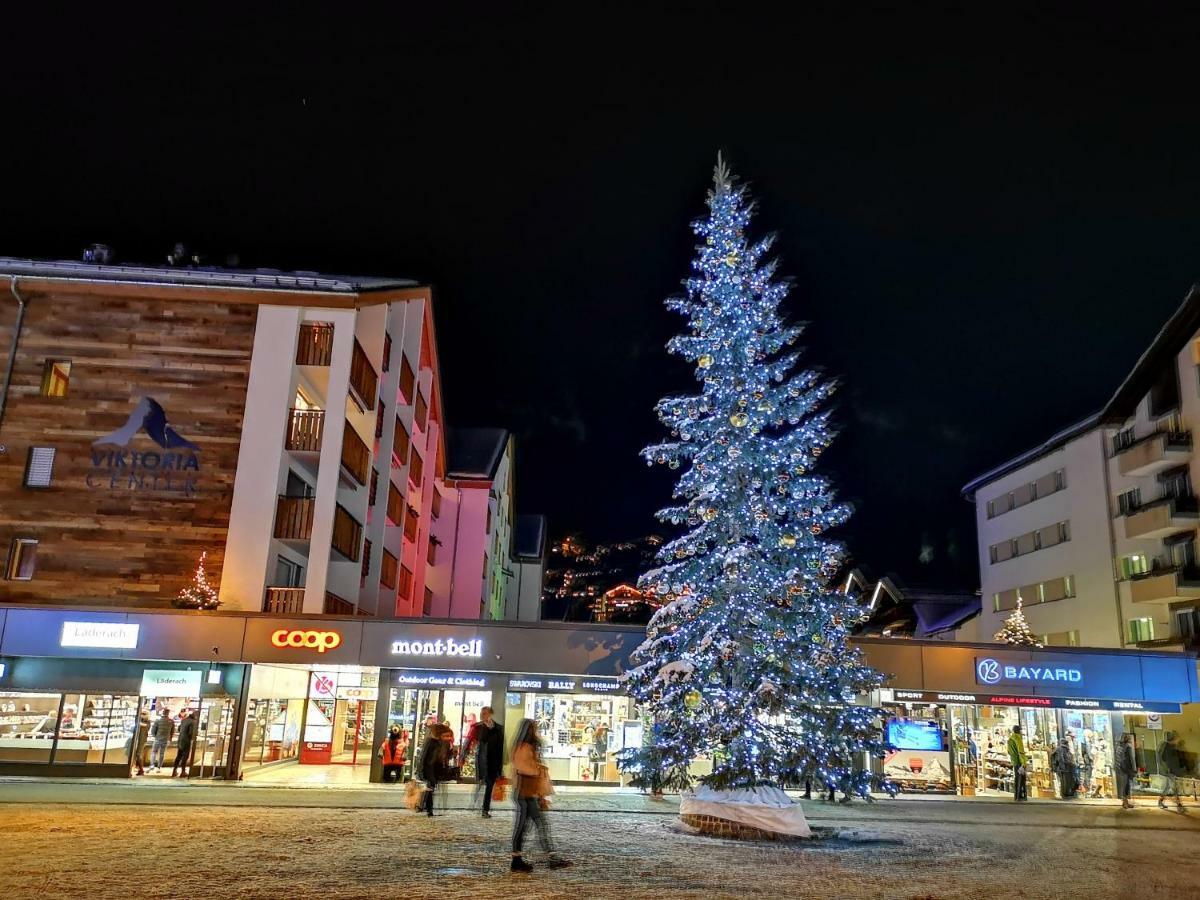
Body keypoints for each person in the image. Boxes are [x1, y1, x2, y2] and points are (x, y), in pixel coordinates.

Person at [510, 718, 570, 873]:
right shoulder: (523, 748)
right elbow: (523, 768)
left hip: (530, 793)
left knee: (538, 825)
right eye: (534, 728)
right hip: (525, 794)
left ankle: (549, 857)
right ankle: (517, 860)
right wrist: (538, 769)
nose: (536, 731)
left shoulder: (528, 747)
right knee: (524, 827)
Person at [465, 707, 504, 818]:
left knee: (489, 785)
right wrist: (464, 755)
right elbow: (471, 740)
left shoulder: (499, 729)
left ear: (491, 714)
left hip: (493, 762)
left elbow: (501, 748)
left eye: (485, 713)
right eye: (482, 713)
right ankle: (477, 805)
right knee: (482, 783)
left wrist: (500, 766)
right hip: (482, 761)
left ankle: (484, 809)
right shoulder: (478, 727)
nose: (483, 715)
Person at [419, 723, 449, 816]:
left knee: (431, 787)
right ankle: (428, 809)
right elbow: (423, 757)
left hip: (435, 768)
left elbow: (441, 756)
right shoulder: (430, 742)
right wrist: (421, 770)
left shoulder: (441, 742)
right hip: (429, 768)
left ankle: (425, 807)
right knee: (430, 786)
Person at [1158, 731, 1188, 811]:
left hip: (1171, 771)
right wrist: (1168, 770)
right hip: (1169, 771)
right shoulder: (1166, 747)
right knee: (1174, 788)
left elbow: (1174, 760)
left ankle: (1160, 802)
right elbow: (1165, 760)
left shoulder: (1171, 747)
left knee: (1167, 788)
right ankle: (1179, 805)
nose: (1177, 740)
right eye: (1175, 738)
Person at [1115, 733, 1137, 809]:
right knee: (1126, 786)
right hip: (1126, 769)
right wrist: (1134, 769)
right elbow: (1132, 758)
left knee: (1124, 785)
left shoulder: (1118, 746)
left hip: (1120, 768)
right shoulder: (1128, 746)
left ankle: (1125, 802)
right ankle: (1125, 803)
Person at [172, 710, 196, 778]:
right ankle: (183, 772)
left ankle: (174, 771)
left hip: (180, 740)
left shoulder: (184, 720)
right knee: (185, 757)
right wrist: (193, 739)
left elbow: (179, 729)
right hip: (186, 741)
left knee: (178, 756)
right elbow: (191, 733)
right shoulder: (193, 722)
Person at [1007, 725, 1028, 801]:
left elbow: (1009, 751)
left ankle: (1016, 796)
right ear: (1019, 731)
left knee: (1017, 778)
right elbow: (1021, 752)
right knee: (1021, 779)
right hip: (1019, 762)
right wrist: (1023, 762)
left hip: (1014, 761)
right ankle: (1020, 796)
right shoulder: (1017, 738)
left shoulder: (1010, 739)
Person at [149, 708, 174, 773]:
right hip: (165, 740)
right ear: (168, 713)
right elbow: (172, 732)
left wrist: (155, 736)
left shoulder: (158, 720)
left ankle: (152, 765)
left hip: (157, 739)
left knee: (154, 752)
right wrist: (169, 739)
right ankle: (159, 767)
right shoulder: (171, 721)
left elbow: (153, 731)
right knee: (162, 754)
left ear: (162, 713)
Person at [131, 709, 151, 776]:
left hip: (141, 740)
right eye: (142, 713)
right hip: (138, 740)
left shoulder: (147, 722)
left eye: (144, 714)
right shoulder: (141, 721)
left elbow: (143, 725)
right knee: (137, 754)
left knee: (138, 754)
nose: (142, 715)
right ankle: (138, 769)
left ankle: (141, 770)